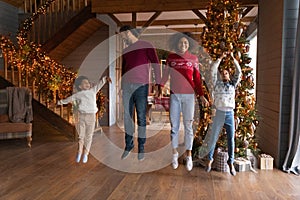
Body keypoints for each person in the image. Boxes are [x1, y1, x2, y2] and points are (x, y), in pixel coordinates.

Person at [160, 32, 209, 171]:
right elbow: (165, 75)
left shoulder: (193, 59)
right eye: (181, 43)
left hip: (189, 96)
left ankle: (188, 156)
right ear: (176, 44)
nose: (183, 45)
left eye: (186, 43)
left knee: (188, 127)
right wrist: (160, 87)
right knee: (174, 127)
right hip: (175, 96)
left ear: (189, 45)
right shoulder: (171, 58)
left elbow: (197, 79)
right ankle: (174, 154)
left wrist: (201, 95)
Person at [119, 25, 161, 161]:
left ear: (128, 32)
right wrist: (121, 87)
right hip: (126, 87)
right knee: (127, 117)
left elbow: (156, 64)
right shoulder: (125, 50)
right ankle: (128, 145)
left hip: (141, 86)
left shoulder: (146, 45)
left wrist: (158, 84)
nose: (122, 37)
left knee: (141, 117)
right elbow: (124, 70)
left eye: (122, 35)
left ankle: (141, 147)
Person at [58, 75, 111, 163]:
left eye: (88, 82)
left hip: (91, 116)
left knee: (89, 136)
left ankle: (86, 153)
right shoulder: (78, 95)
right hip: (82, 116)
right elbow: (69, 99)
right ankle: (79, 152)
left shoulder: (93, 91)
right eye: (85, 83)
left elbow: (99, 84)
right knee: (81, 136)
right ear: (80, 86)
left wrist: (105, 79)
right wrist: (60, 102)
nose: (87, 84)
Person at [204, 52, 242, 176]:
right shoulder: (217, 84)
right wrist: (220, 58)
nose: (224, 74)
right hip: (219, 113)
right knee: (213, 137)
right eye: (222, 73)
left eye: (226, 73)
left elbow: (239, 72)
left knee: (231, 139)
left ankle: (230, 163)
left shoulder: (233, 85)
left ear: (229, 76)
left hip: (230, 114)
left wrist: (232, 59)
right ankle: (209, 160)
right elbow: (213, 70)